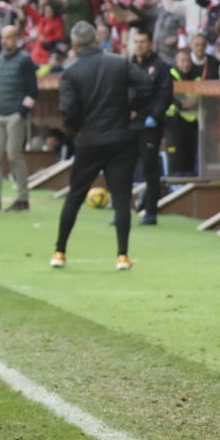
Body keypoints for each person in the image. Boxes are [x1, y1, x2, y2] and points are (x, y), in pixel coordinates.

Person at [53, 22, 153, 271]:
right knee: (121, 197)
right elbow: (146, 85)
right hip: (120, 137)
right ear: (96, 39)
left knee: (75, 196)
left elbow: (67, 109)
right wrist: (131, 107)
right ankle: (122, 256)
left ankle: (59, 251)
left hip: (89, 139)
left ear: (75, 44)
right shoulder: (118, 63)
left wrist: (79, 126)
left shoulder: (71, 73)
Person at [0, 25, 38, 213]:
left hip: (14, 114)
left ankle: (23, 198)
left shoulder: (25, 61)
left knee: (14, 156)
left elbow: (33, 91)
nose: (5, 41)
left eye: (9, 38)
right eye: (3, 38)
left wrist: (22, 112)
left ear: (17, 39)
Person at [130, 28, 174, 227]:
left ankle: (151, 211)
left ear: (150, 44)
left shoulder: (161, 67)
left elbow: (165, 95)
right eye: (136, 41)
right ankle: (122, 208)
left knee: (150, 166)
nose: (139, 45)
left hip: (150, 125)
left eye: (143, 41)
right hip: (130, 124)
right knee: (124, 167)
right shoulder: (128, 65)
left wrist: (154, 116)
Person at [167, 46, 202, 177]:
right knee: (176, 158)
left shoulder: (196, 75)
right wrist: (181, 104)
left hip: (193, 121)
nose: (186, 64)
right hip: (174, 121)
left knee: (190, 156)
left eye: (188, 60)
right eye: (182, 61)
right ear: (176, 62)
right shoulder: (170, 74)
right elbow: (168, 93)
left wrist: (197, 102)